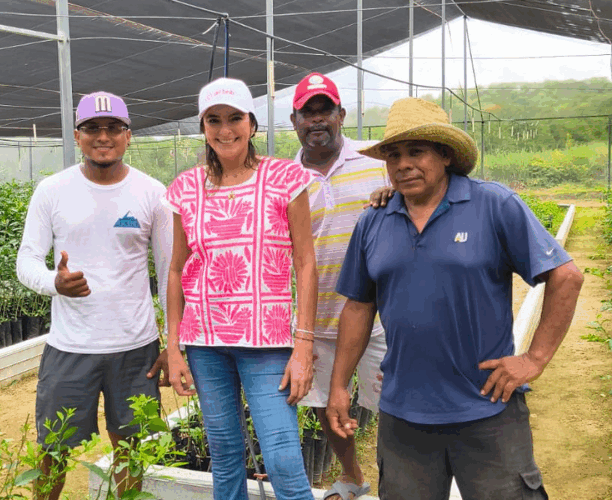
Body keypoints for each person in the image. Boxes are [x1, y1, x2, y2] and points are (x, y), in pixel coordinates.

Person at [326, 97, 584, 500]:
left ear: (445, 155)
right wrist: (339, 386)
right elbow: (358, 307)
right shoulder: (374, 220)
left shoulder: (493, 204)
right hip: (403, 413)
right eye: (393, 155)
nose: (403, 164)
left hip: (487, 409)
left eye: (417, 151)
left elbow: (566, 276)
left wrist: (534, 359)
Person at [164, 77, 318, 500]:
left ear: (252, 123)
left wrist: (302, 345)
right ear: (203, 127)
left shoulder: (285, 177)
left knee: (283, 454)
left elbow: (306, 263)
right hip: (204, 341)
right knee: (225, 451)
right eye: (214, 120)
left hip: (267, 342)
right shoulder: (185, 188)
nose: (225, 129)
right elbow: (176, 270)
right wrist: (174, 346)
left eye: (235, 118)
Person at [16, 91, 172, 500]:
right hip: (70, 346)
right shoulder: (53, 190)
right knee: (53, 448)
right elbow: (26, 259)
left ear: (128, 135)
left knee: (130, 449)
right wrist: (55, 282)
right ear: (77, 135)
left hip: (135, 348)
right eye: (92, 129)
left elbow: (172, 271)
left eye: (113, 128)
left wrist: (173, 343)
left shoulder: (152, 193)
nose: (103, 136)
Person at [290, 72, 391, 500]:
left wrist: (392, 191)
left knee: (394, 407)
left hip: (380, 318)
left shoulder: (377, 166)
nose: (317, 120)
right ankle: (352, 478)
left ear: (341, 115)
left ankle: (401, 482)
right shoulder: (284, 179)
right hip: (313, 320)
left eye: (324, 110)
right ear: (294, 120)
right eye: (307, 112)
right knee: (324, 407)